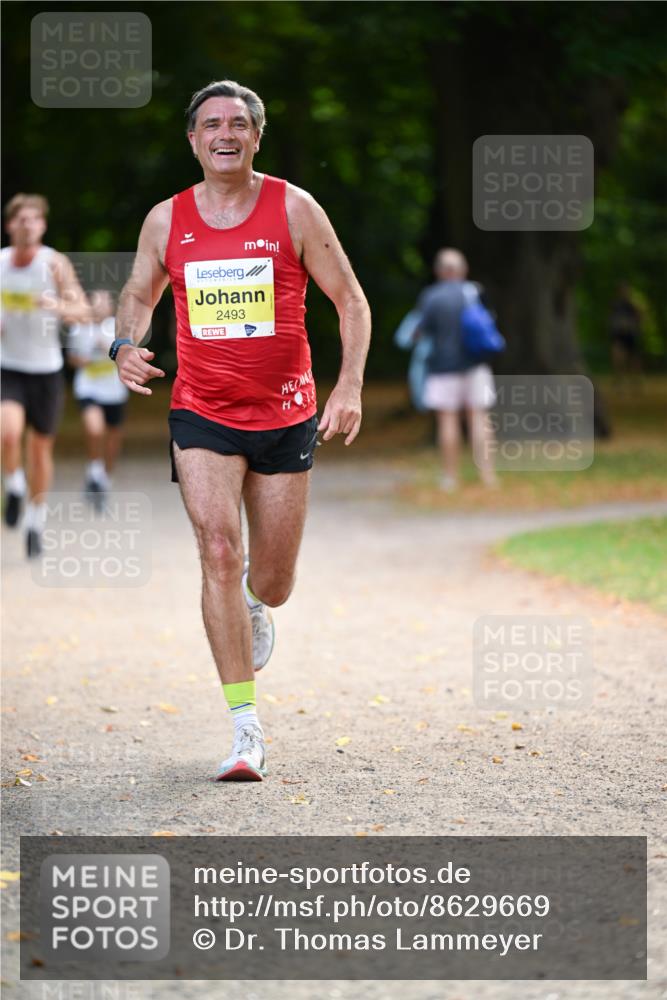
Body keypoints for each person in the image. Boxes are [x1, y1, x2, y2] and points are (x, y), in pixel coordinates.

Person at [111, 80, 371, 782]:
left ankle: (257, 602)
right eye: (211, 124)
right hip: (202, 411)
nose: (224, 134)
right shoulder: (166, 219)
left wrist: (348, 385)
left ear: (256, 137)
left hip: (286, 413)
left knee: (274, 581)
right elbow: (138, 292)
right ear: (192, 140)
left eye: (237, 124)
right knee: (219, 550)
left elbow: (350, 299)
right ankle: (244, 729)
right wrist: (125, 343)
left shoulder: (294, 208)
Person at [1, 193, 89, 556]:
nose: (28, 225)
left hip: (46, 371)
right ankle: (14, 484)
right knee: (7, 433)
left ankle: (36, 520)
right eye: (22, 219)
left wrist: (57, 305)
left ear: (43, 226)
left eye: (34, 219)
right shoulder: (1, 263)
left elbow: (82, 311)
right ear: (10, 225)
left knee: (40, 451)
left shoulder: (54, 263)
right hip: (8, 365)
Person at [417, 248, 498, 491]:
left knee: (447, 420)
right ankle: (488, 477)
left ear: (439, 271)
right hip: (476, 365)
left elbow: (421, 331)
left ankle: (450, 478)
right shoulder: (474, 291)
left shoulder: (431, 297)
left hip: (442, 367)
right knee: (480, 418)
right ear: (463, 269)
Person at [67, 289, 129, 510]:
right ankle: (94, 469)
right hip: (88, 387)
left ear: (111, 307)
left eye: (104, 303)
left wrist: (111, 351)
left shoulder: (117, 328)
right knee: (95, 429)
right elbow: (71, 358)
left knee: (113, 439)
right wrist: (81, 361)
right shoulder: (79, 327)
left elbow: (129, 355)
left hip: (114, 391)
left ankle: (103, 480)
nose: (100, 307)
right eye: (96, 303)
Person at [609, 282, 643, 386]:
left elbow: (639, 317)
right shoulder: (615, 305)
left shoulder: (632, 305)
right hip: (618, 335)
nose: (624, 292)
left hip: (630, 335)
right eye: (622, 290)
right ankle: (619, 379)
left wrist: (634, 325)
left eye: (626, 290)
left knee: (633, 359)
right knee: (617, 356)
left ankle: (636, 380)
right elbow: (611, 319)